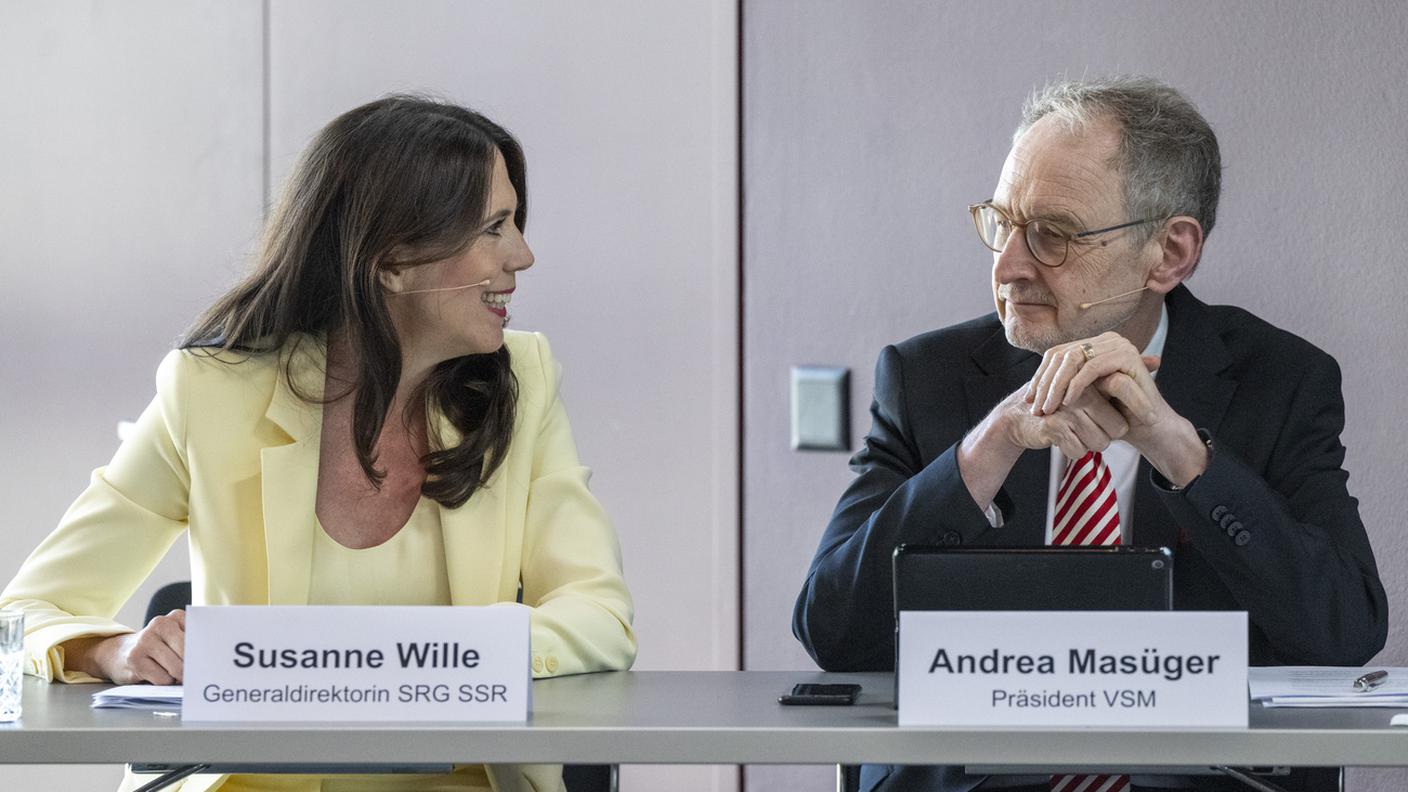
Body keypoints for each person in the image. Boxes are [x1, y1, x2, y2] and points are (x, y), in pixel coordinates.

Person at [0, 95, 636, 792]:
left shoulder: (527, 380)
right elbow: (27, 610)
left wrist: (397, 660)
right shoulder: (211, 393)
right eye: (494, 227)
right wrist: (112, 651)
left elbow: (598, 617)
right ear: (391, 259)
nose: (523, 254)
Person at [793, 76, 1387, 792]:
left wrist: (1181, 452)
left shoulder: (1281, 381)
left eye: (1052, 235)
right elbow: (832, 632)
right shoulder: (928, 378)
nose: (1008, 266)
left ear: (1169, 253)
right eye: (1001, 224)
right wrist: (986, 452)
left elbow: (1344, 634)